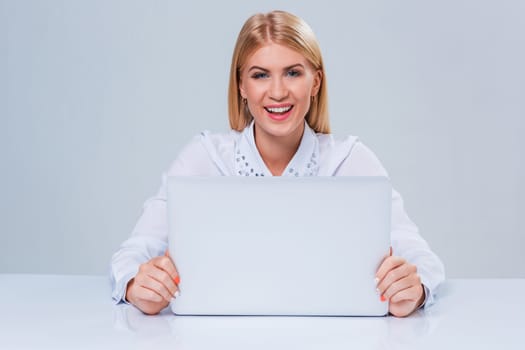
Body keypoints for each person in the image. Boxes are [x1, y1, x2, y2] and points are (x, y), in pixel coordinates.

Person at [110, 10, 445, 317]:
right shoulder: (204, 157)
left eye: (293, 73)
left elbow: (422, 258)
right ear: (241, 84)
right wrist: (135, 285)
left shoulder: (350, 160)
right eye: (260, 75)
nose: (278, 91)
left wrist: (414, 289)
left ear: (315, 82)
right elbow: (132, 252)